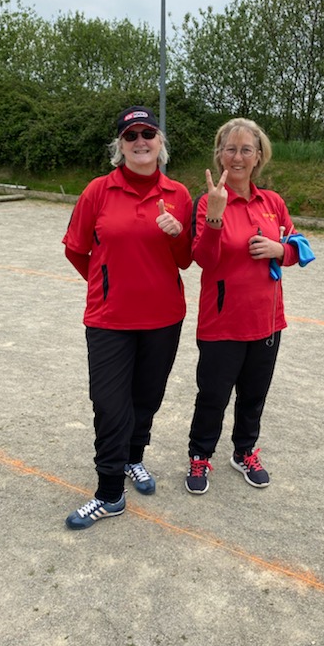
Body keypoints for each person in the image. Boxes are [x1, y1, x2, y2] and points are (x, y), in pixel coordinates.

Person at [63, 106, 192, 529]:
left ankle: (134, 459)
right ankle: (109, 493)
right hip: (109, 319)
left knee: (146, 399)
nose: (140, 141)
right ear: (120, 146)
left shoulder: (178, 195)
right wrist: (106, 283)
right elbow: (76, 249)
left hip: (163, 317)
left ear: (160, 142)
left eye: (148, 133)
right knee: (109, 404)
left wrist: (177, 236)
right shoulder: (98, 191)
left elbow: (186, 260)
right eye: (131, 135)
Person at [185, 117, 308, 495]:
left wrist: (280, 250)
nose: (237, 157)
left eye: (246, 150)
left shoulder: (273, 202)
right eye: (230, 149)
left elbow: (301, 247)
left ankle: (244, 451)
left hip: (267, 321)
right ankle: (200, 455)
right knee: (213, 396)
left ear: (259, 157)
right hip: (223, 321)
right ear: (220, 155)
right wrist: (217, 214)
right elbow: (203, 257)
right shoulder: (207, 201)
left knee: (254, 394)